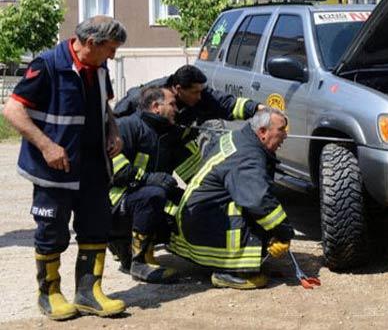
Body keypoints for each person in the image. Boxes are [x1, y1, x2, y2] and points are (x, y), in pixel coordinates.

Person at [2, 16, 127, 320]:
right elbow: (12, 109)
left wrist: (113, 131)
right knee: (52, 231)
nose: (112, 55)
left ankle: (89, 293)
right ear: (91, 43)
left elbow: (104, 105)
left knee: (96, 226)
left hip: (94, 165)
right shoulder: (47, 65)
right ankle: (50, 293)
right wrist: (46, 146)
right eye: (109, 49)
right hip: (54, 169)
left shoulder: (99, 66)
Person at [166, 107, 294, 290]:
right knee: (253, 211)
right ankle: (228, 272)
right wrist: (283, 233)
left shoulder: (239, 138)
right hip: (202, 225)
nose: (285, 136)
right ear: (263, 132)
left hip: (196, 220)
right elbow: (259, 201)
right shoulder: (248, 156)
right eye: (281, 130)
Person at [113, 64, 265, 183]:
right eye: (195, 92)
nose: (200, 97)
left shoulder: (195, 92)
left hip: (177, 144)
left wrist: (256, 109)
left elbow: (223, 103)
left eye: (201, 91)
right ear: (178, 89)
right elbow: (119, 116)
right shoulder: (147, 96)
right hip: (145, 149)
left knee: (199, 182)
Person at [108, 86, 182, 284]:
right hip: (115, 204)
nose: (177, 109)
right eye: (172, 104)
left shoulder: (169, 134)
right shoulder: (126, 127)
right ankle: (138, 261)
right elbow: (117, 171)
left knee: (186, 202)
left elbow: (192, 170)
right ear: (156, 107)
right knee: (154, 195)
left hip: (142, 198)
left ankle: (130, 251)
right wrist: (149, 178)